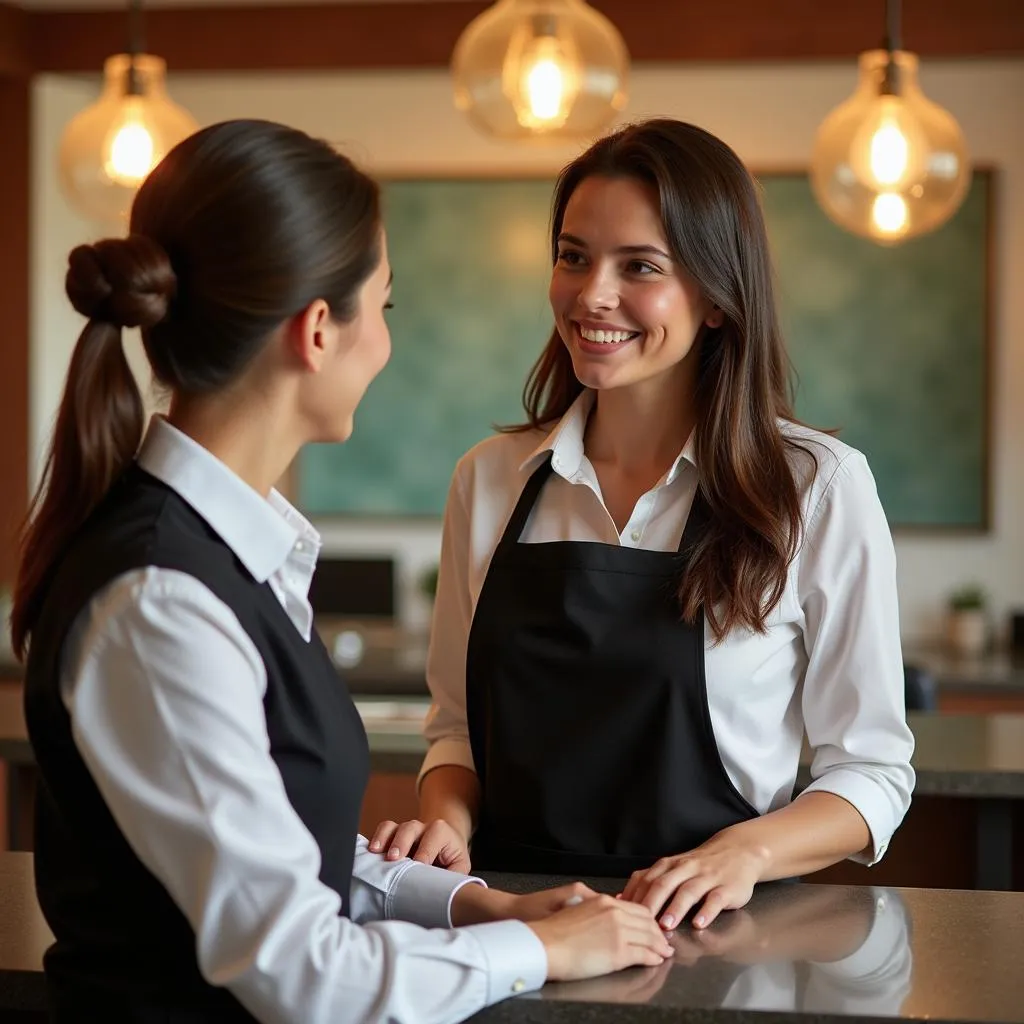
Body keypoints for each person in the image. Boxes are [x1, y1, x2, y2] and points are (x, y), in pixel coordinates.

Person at [10, 119, 673, 1024]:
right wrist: (538, 950)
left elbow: (282, 850)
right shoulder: (161, 602)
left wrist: (481, 906)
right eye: (384, 308)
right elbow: (303, 974)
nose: (385, 346)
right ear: (319, 330)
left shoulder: (227, 562)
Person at [372, 118, 916, 933]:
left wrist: (747, 854)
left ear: (720, 300)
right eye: (574, 255)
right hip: (517, 935)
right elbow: (456, 731)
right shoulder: (487, 479)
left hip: (712, 942)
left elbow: (873, 770)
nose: (593, 294)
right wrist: (447, 823)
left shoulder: (815, 487)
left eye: (642, 267)